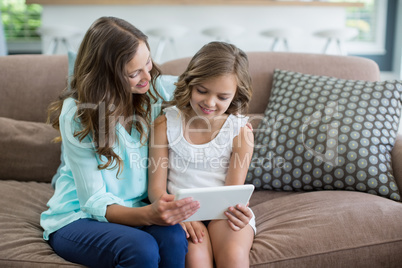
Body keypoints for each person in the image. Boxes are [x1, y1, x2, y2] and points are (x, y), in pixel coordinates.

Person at [40, 16, 200, 268]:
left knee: (173, 237)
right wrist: (150, 214)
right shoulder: (78, 113)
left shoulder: (155, 91)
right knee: (141, 248)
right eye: (134, 73)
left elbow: (208, 86)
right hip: (78, 216)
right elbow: (93, 202)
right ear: (107, 77)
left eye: (148, 62)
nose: (147, 76)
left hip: (135, 207)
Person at [148, 41, 256, 268]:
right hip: (182, 212)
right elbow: (156, 189)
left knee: (234, 257)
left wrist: (239, 211)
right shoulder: (165, 124)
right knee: (197, 259)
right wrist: (181, 215)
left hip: (224, 214)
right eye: (202, 91)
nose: (209, 102)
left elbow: (233, 193)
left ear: (236, 95)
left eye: (222, 97)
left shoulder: (240, 131)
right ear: (190, 83)